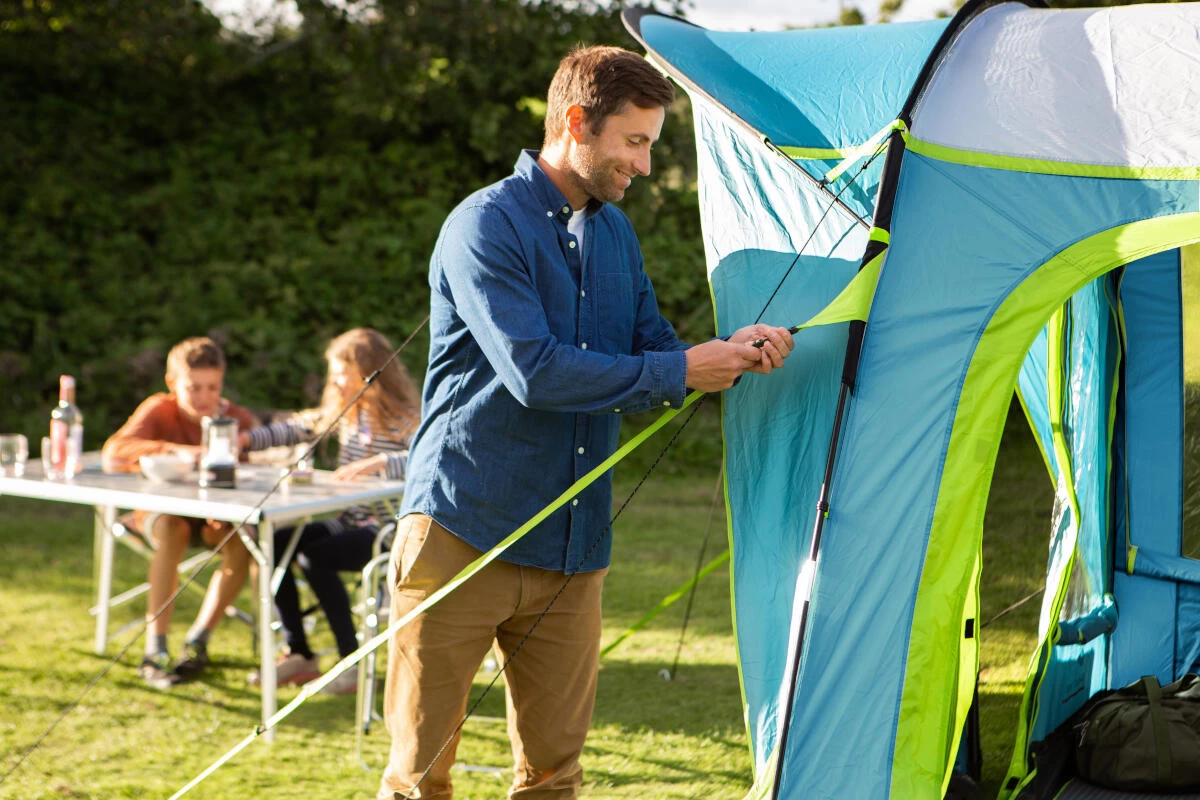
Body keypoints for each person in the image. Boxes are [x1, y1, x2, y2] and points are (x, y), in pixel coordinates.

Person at [377, 45, 793, 800]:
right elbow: (535, 371)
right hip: (462, 529)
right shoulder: (484, 225)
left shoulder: (615, 235)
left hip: (574, 546)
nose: (642, 162)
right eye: (634, 142)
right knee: (419, 779)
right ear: (578, 122)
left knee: (554, 777)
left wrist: (730, 353)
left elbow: (657, 352)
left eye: (650, 145)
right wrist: (680, 370)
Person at [244, 328, 419, 695]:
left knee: (313, 558)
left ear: (370, 372)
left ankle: (350, 663)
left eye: (343, 373)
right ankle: (300, 652)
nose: (336, 382)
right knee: (276, 544)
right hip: (347, 522)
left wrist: (381, 463)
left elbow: (431, 452)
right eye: (335, 374)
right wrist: (245, 439)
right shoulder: (346, 415)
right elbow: (295, 428)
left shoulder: (403, 420)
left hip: (388, 531)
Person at [102, 336, 260, 689]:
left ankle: (198, 640)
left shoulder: (234, 419)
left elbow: (252, 472)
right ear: (173, 383)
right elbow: (115, 449)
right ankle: (155, 648)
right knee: (173, 529)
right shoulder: (160, 409)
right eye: (194, 388)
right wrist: (178, 450)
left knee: (242, 543)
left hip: (214, 518)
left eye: (212, 387)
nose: (204, 397)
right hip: (162, 513)